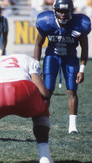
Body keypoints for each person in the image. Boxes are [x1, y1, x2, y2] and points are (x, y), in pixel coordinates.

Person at [34, 0, 91, 134]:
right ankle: (43, 123)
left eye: (66, 11)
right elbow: (38, 44)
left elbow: (85, 47)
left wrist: (82, 69)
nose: (63, 14)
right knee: (46, 91)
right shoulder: (46, 22)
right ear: (55, 10)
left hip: (70, 58)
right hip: (51, 57)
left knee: (72, 91)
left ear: (71, 11)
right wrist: (36, 65)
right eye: (61, 11)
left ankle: (72, 126)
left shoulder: (80, 24)